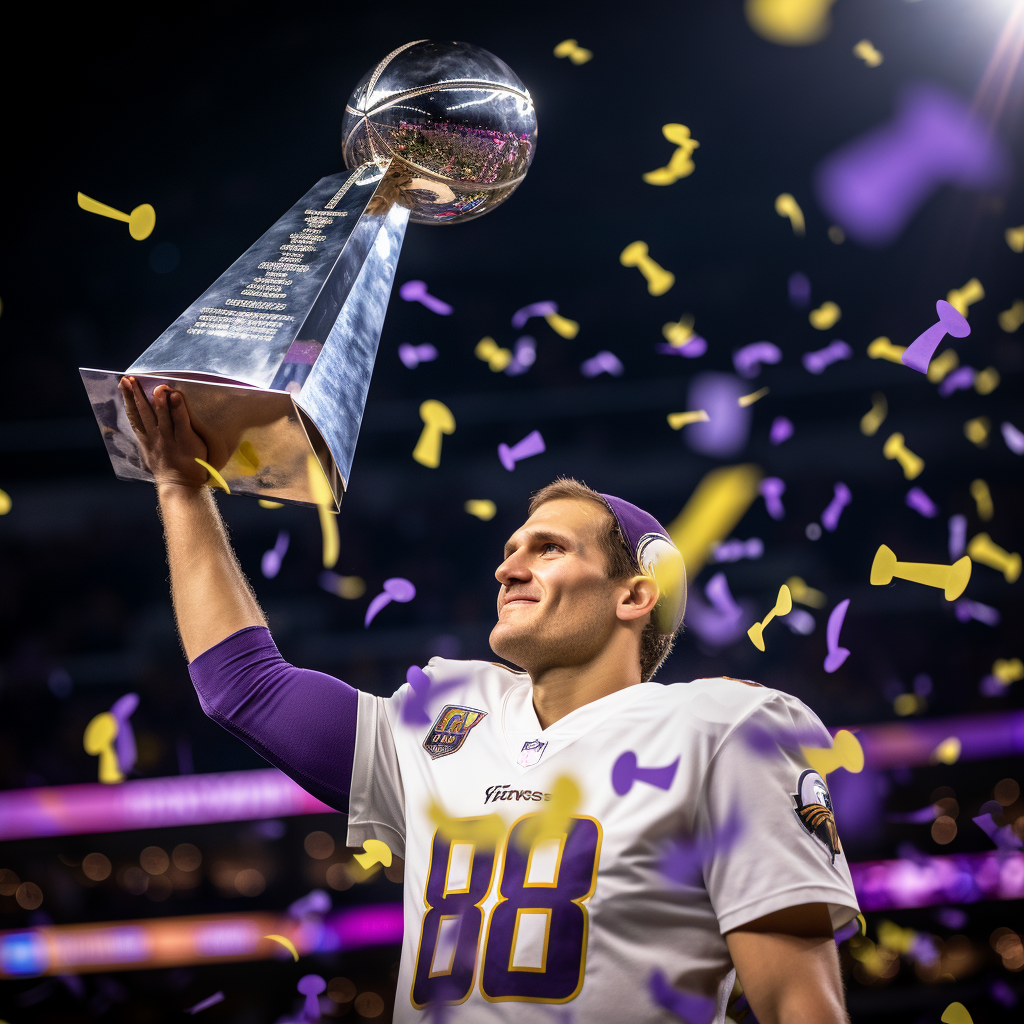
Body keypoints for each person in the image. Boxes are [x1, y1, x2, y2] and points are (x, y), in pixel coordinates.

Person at [120, 376, 858, 1024]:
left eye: (548, 548)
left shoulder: (722, 727)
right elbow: (241, 685)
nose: (509, 567)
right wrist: (180, 489)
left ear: (636, 594)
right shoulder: (447, 710)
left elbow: (800, 1005)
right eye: (509, 550)